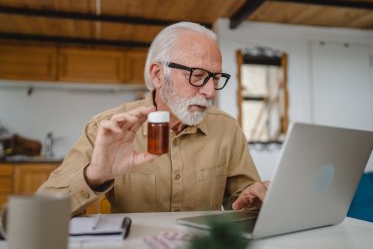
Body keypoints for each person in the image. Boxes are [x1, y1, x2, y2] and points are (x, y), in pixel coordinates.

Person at [37, 22, 269, 216]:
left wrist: (255, 198)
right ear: (158, 75)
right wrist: (95, 176)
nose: (210, 91)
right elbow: (43, 212)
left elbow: (242, 202)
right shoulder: (106, 129)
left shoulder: (227, 128)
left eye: (216, 79)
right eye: (197, 76)